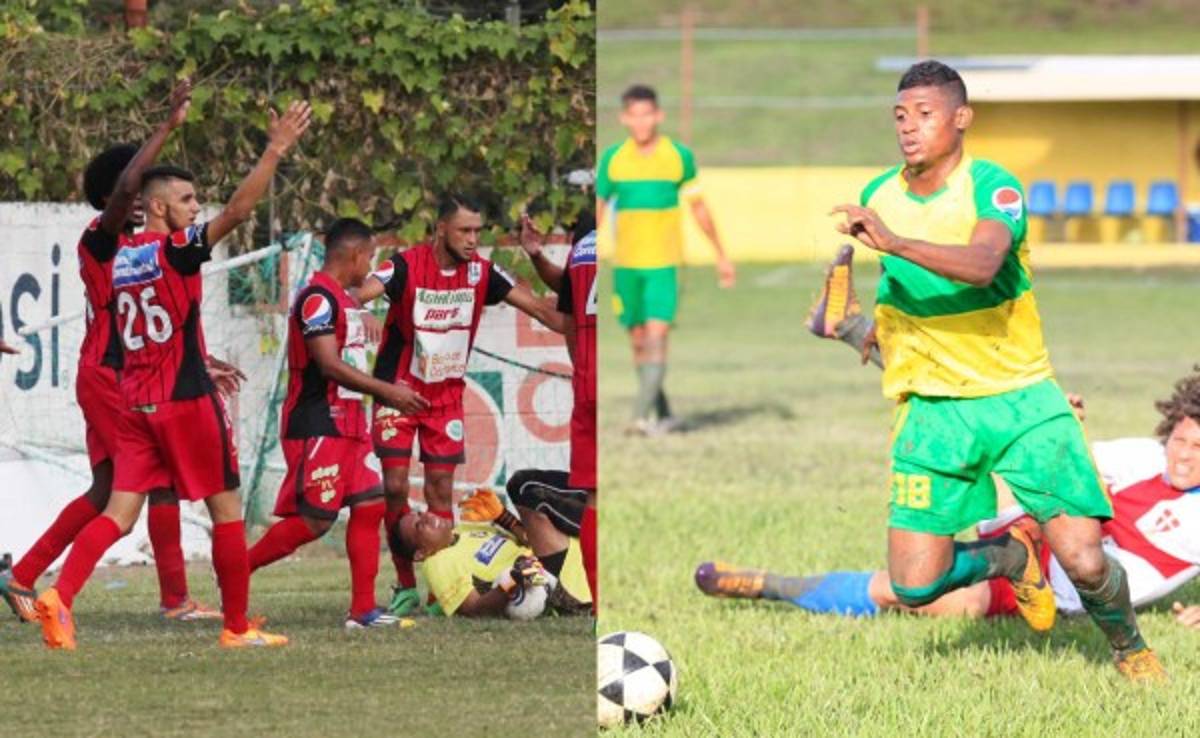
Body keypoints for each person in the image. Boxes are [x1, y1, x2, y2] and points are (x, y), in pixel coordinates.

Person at [824, 60, 1162, 681]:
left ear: (961, 118)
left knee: (1086, 562)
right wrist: (848, 327)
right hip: (933, 412)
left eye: (925, 115)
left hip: (1020, 398)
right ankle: (1008, 556)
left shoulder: (993, 185)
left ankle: (1129, 648)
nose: (909, 128)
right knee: (914, 583)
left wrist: (893, 241)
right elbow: (904, 318)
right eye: (900, 115)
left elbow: (982, 263)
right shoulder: (880, 195)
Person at [33, 99, 312, 650]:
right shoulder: (177, 251)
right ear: (155, 207)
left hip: (136, 400)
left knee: (118, 508)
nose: (195, 206)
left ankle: (59, 596)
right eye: (186, 199)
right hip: (185, 401)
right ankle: (236, 628)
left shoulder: (109, 256)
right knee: (226, 507)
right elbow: (235, 213)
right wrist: (275, 150)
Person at [698, 369, 1200, 632]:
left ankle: (765, 585)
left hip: (1060, 585)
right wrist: (1062, 430)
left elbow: (1091, 499)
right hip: (1035, 532)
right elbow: (1072, 477)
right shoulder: (1143, 454)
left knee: (907, 591)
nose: (1183, 455)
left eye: (1198, 448)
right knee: (1010, 431)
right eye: (1180, 439)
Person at [1, 81, 221, 624]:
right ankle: (172, 600)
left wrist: (200, 361)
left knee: (106, 490)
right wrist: (167, 125)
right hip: (113, 377)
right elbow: (125, 192)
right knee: (151, 482)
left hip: (125, 373)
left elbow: (160, 320)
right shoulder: (102, 239)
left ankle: (23, 575)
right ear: (124, 194)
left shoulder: (148, 245)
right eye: (141, 184)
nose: (148, 194)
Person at [351, 193, 563, 615]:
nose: (472, 239)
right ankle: (406, 583)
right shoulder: (407, 266)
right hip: (398, 391)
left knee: (441, 490)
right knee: (393, 487)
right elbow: (356, 293)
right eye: (464, 230)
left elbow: (541, 309)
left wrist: (584, 331)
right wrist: (362, 311)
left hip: (445, 399)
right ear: (440, 229)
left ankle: (438, 587)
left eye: (478, 232)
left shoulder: (482, 273)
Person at [246, 218, 428, 629]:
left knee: (370, 504)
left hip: (350, 422)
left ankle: (362, 611)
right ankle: (237, 570)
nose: (372, 264)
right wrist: (386, 391)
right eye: (371, 255)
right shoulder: (317, 298)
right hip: (317, 422)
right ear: (355, 255)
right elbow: (328, 365)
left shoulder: (345, 299)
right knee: (315, 521)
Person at [597, 84, 734, 435]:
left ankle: (639, 417)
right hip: (626, 266)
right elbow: (597, 210)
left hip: (664, 264)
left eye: (648, 114)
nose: (641, 122)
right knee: (638, 341)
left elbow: (699, 208)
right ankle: (665, 414)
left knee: (657, 337)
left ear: (659, 115)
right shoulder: (613, 160)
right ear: (624, 118)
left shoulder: (678, 156)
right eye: (634, 115)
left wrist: (720, 254)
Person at [514, 211, 598, 607]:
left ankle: (597, 603)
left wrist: (530, 265)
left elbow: (570, 295)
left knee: (596, 498)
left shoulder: (584, 248)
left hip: (589, 387)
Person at [392, 490, 590, 617]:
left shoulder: (464, 529)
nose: (426, 516)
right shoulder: (437, 563)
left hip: (573, 548)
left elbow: (528, 539)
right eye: (419, 526)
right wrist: (513, 581)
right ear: (420, 553)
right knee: (526, 489)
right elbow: (475, 609)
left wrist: (504, 517)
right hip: (567, 583)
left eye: (420, 513)